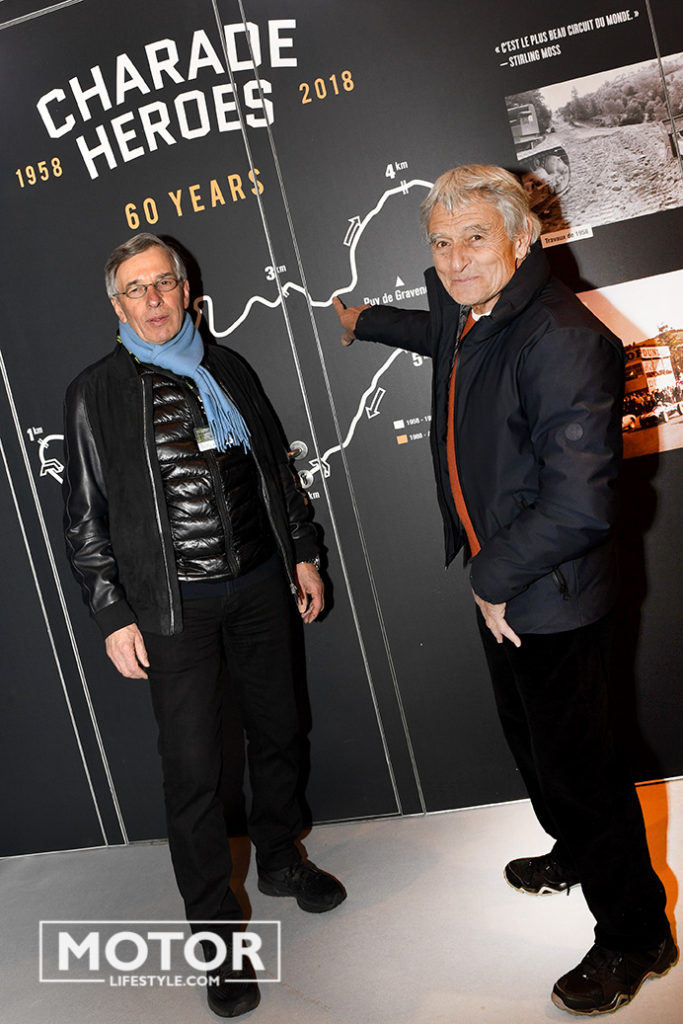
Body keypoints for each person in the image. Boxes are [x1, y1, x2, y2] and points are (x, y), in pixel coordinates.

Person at [333, 165, 677, 1017]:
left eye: (474, 238)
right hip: (508, 587)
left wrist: (490, 579)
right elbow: (435, 331)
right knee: (533, 744)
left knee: (582, 771)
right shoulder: (478, 314)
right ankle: (573, 852)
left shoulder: (557, 338)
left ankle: (636, 935)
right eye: (440, 243)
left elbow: (580, 505)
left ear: (521, 240)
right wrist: (364, 321)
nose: (454, 260)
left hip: (545, 589)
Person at [64, 232, 345, 1019]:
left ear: (186, 291)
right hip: (172, 607)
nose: (153, 299)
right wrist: (112, 611)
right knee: (193, 772)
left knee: (278, 730)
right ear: (117, 304)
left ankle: (280, 858)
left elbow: (275, 470)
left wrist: (303, 553)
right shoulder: (95, 393)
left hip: (258, 584)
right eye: (135, 289)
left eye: (164, 283)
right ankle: (218, 941)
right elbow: (84, 516)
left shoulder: (228, 367)